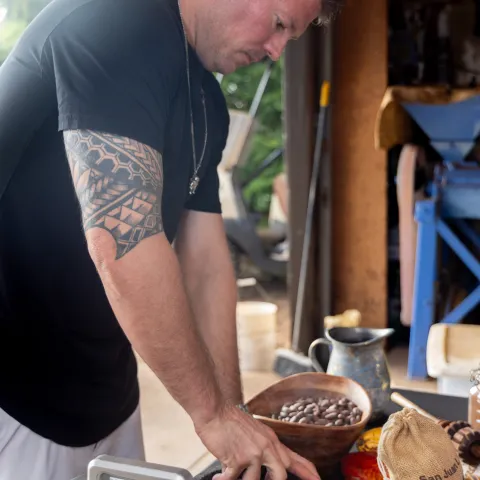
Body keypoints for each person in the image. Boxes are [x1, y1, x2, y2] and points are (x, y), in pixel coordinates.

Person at [0, 0, 340, 478]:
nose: (276, 50)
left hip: (106, 392)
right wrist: (213, 415)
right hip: (17, 397)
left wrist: (233, 412)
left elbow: (204, 263)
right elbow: (121, 242)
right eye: (279, 24)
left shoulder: (206, 102)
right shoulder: (116, 19)